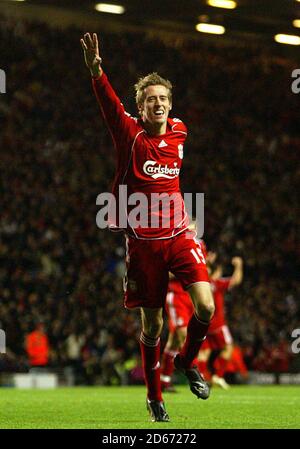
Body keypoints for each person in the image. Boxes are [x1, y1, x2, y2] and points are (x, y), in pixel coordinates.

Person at [80, 33, 215, 422]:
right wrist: (96, 70)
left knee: (205, 306)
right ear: (140, 107)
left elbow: (169, 181)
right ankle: (155, 397)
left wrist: (185, 214)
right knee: (153, 324)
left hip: (179, 235)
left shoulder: (180, 132)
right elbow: (108, 105)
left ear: (170, 106)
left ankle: (187, 360)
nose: (158, 104)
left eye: (163, 99)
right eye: (151, 99)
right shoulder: (129, 132)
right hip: (142, 243)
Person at [198, 253, 243, 389]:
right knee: (228, 348)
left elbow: (199, 270)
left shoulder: (201, 285)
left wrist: (206, 262)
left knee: (204, 352)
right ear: (214, 272)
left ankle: (202, 378)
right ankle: (218, 376)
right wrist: (239, 265)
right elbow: (236, 280)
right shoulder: (216, 284)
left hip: (202, 323)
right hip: (217, 324)